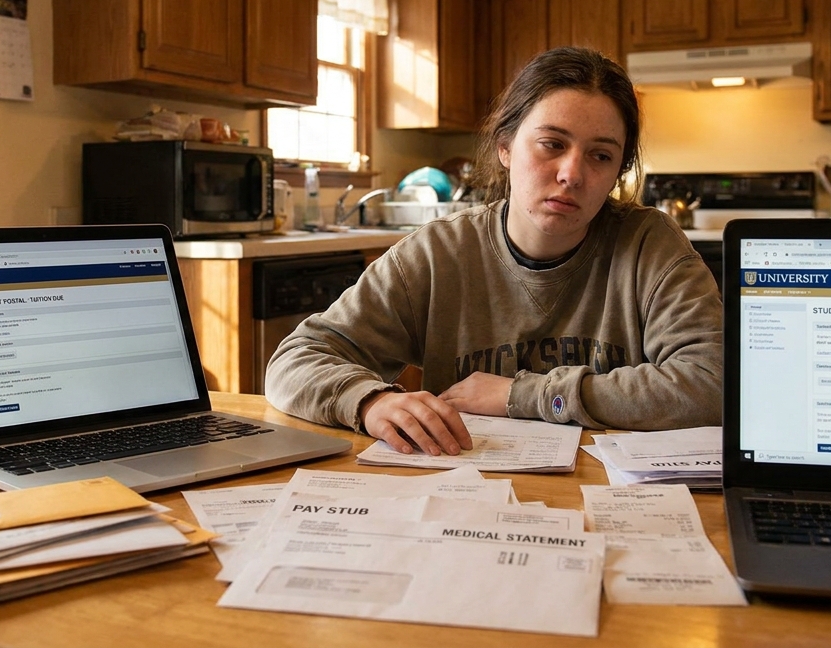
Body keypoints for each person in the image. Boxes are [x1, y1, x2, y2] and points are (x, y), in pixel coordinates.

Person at [263, 46, 722, 456]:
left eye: (600, 155)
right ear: (505, 146)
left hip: (617, 500)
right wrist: (369, 401)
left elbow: (714, 383)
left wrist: (517, 396)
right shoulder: (438, 253)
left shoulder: (650, 245)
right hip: (461, 494)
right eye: (552, 144)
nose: (572, 173)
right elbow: (294, 360)